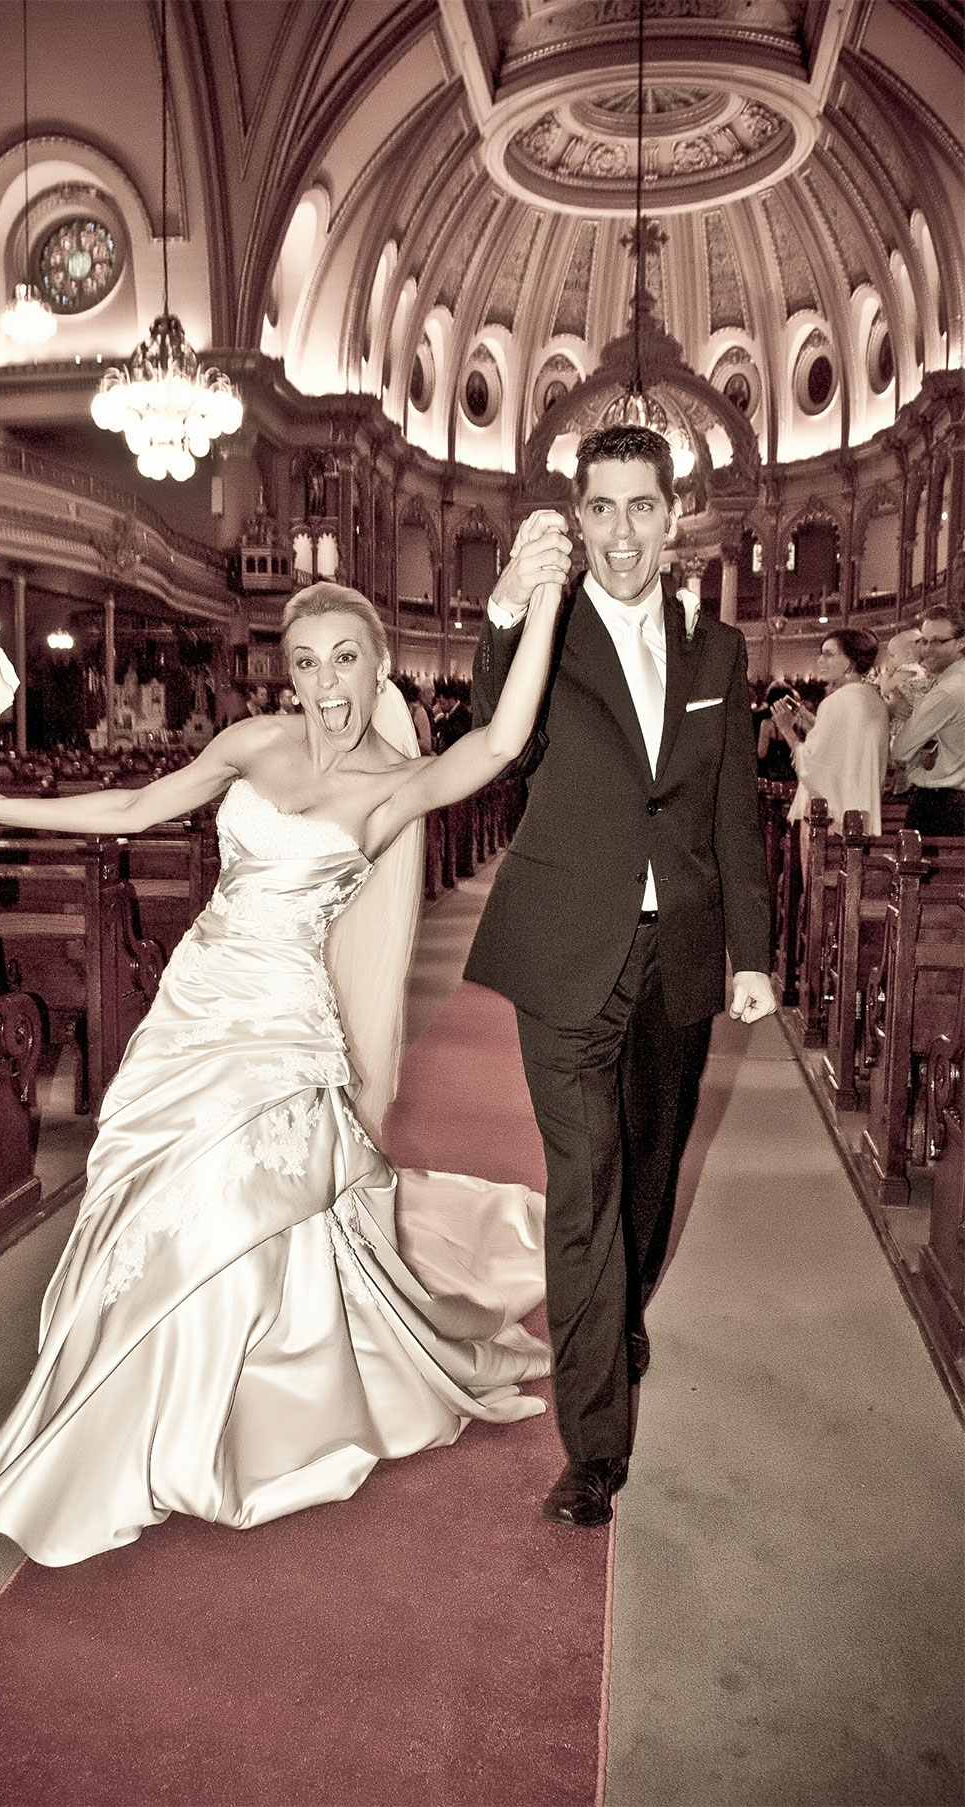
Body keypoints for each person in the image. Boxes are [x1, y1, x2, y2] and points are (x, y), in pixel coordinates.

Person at [0, 580, 568, 1566]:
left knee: (250, 1198)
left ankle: (242, 1408)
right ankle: (142, 1398)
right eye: (308, 662)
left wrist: (545, 602)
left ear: (379, 665)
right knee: (153, 1186)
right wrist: (9, 805)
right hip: (199, 998)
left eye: (347, 658)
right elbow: (140, 805)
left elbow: (498, 744)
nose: (328, 682)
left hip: (281, 1017)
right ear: (291, 675)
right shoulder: (250, 742)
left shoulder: (391, 784)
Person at [466, 424, 775, 1530]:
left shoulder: (718, 650)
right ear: (577, 518)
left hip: (676, 950)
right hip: (563, 945)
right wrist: (508, 607)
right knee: (585, 1187)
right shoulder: (546, 630)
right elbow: (495, 731)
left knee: (649, 1167)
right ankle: (593, 1447)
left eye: (643, 505)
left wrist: (751, 952)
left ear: (673, 514)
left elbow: (731, 812)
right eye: (601, 508)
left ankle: (622, 1304)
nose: (623, 531)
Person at [771, 628, 890, 835]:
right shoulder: (872, 698)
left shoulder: (837, 701)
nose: (820, 661)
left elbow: (812, 766)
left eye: (829, 654)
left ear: (850, 661)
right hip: (859, 813)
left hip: (829, 817)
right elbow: (845, 749)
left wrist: (786, 729)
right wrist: (814, 725)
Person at [889, 606, 965, 837]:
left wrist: (893, 712)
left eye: (937, 641)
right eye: (923, 641)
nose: (927, 650)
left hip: (943, 807)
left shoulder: (947, 691)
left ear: (961, 642)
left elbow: (901, 750)